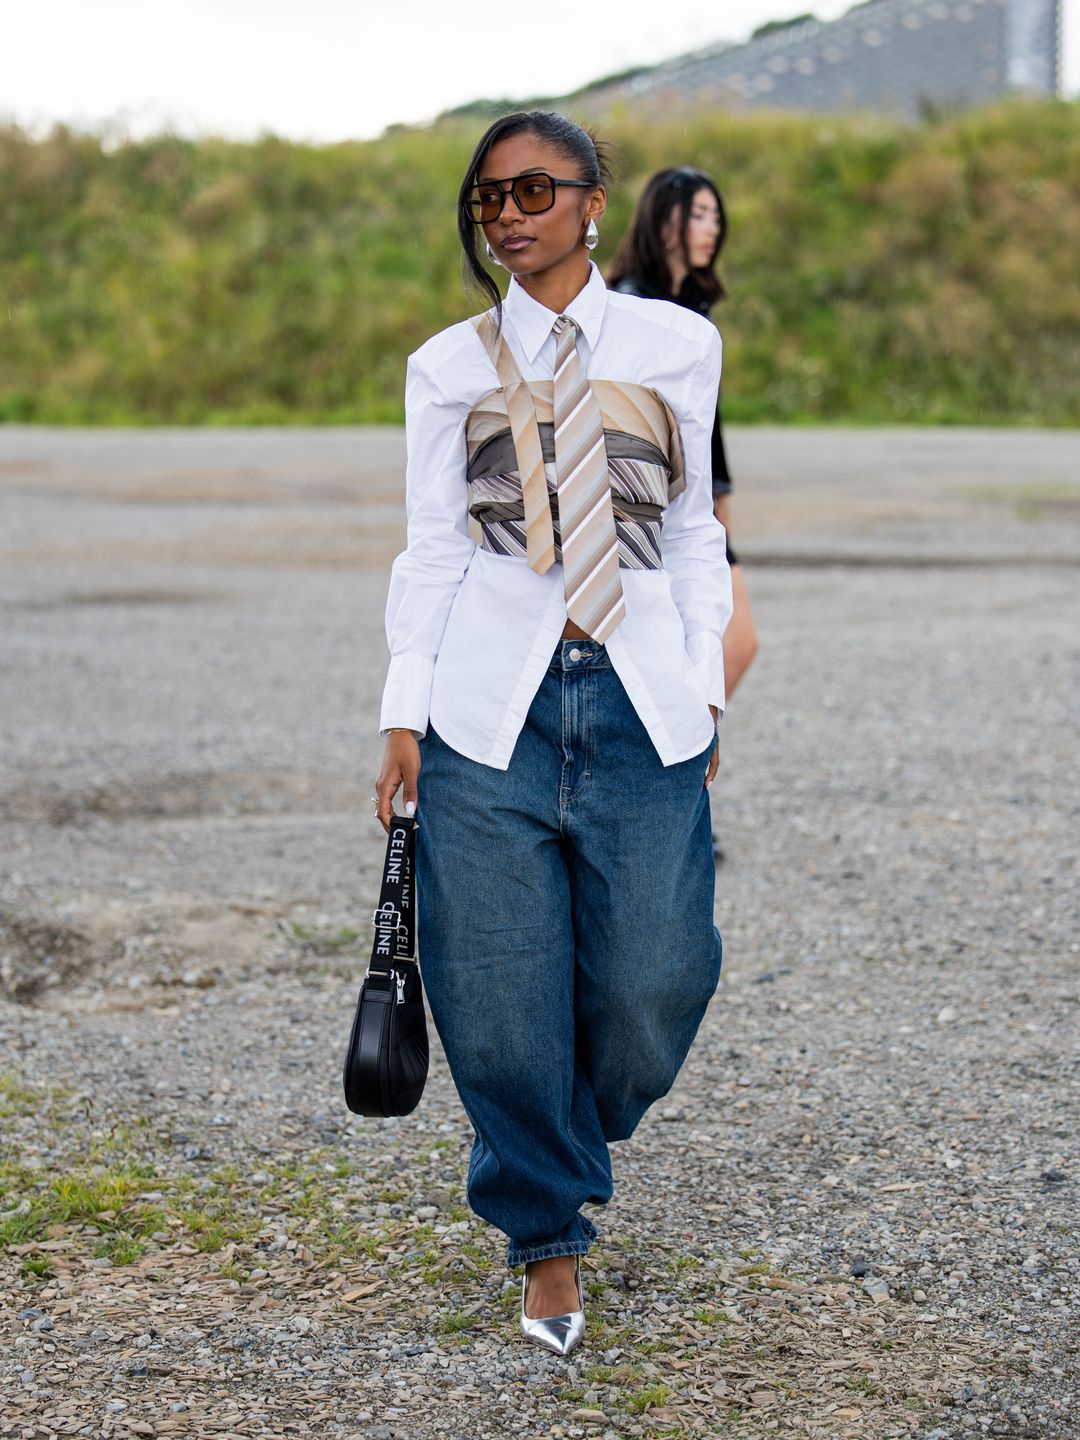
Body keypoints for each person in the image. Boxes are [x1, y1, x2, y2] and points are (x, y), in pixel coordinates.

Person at [374, 111, 732, 1356]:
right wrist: (401, 706)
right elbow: (429, 547)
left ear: (593, 200)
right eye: (489, 198)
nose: (511, 213)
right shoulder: (446, 364)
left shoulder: (679, 344)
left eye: (536, 188)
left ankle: (560, 1135)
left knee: (654, 982)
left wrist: (704, 688)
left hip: (640, 698)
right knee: (497, 990)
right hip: (488, 707)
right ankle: (545, 1238)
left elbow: (691, 532)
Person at [608, 168, 757, 700]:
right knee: (727, 644)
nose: (711, 228)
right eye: (699, 214)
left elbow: (706, 431)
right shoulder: (634, 306)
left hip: (694, 509)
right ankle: (677, 765)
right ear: (663, 221)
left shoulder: (689, 305)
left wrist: (721, 514)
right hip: (654, 508)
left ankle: (684, 761)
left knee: (725, 646)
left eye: (716, 216)